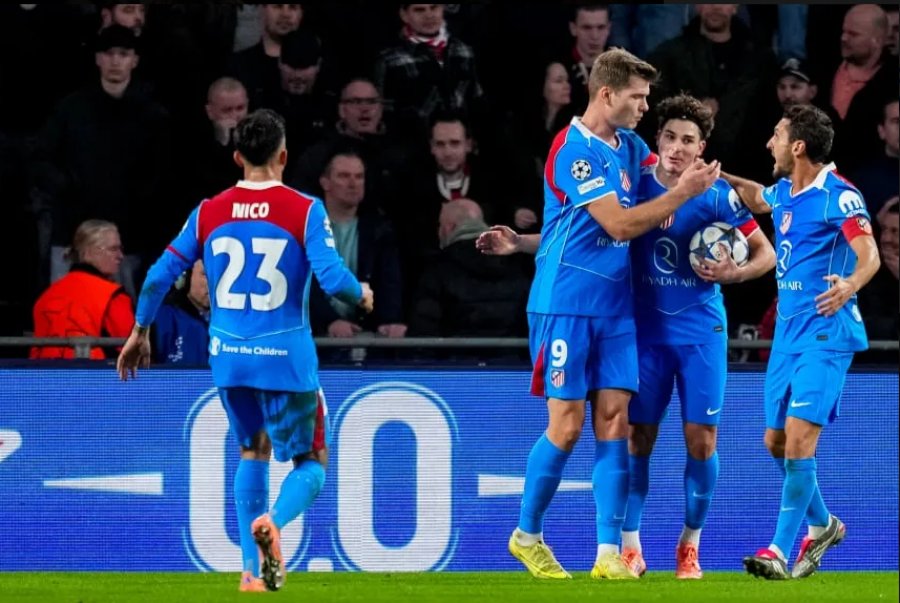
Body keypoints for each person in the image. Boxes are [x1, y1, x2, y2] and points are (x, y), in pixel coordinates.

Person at [479, 48, 721, 580]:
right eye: (638, 97)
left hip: (617, 310)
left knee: (616, 422)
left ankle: (609, 552)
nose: (645, 107)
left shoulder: (629, 146)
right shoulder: (574, 152)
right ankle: (527, 535)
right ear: (607, 94)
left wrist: (764, 193)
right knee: (566, 428)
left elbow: (678, 173)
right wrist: (684, 192)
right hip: (566, 305)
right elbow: (617, 225)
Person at [115, 109, 374, 592]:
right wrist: (362, 294)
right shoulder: (304, 209)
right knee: (312, 463)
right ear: (284, 156)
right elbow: (333, 279)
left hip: (229, 359)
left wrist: (140, 331)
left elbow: (156, 276)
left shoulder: (209, 211)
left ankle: (251, 574)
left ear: (237, 157)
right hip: (286, 358)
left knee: (252, 451)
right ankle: (273, 522)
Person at [620, 94, 776, 579]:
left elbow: (766, 253)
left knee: (702, 441)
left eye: (688, 140)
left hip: (701, 332)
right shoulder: (633, 186)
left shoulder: (717, 195)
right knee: (637, 437)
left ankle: (689, 544)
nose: (677, 147)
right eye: (669, 136)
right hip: (645, 333)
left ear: (701, 148)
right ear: (657, 139)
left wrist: (735, 274)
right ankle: (630, 546)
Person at [723, 104, 880, 579]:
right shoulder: (786, 192)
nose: (768, 142)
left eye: (776, 134)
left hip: (826, 332)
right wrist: (715, 176)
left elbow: (869, 254)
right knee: (775, 442)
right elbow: (758, 198)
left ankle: (777, 550)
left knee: (798, 440)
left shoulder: (839, 195)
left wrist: (849, 285)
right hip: (787, 336)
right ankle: (824, 524)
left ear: (797, 146)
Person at [31, 219, 133, 360]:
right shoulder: (112, 296)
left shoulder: (46, 296)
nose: (120, 256)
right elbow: (135, 353)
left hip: (46, 373)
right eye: (114, 249)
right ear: (90, 252)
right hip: (94, 372)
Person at [151, 259, 210, 365]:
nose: (214, 282)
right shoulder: (161, 319)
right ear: (184, 278)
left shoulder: (233, 322)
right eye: (205, 274)